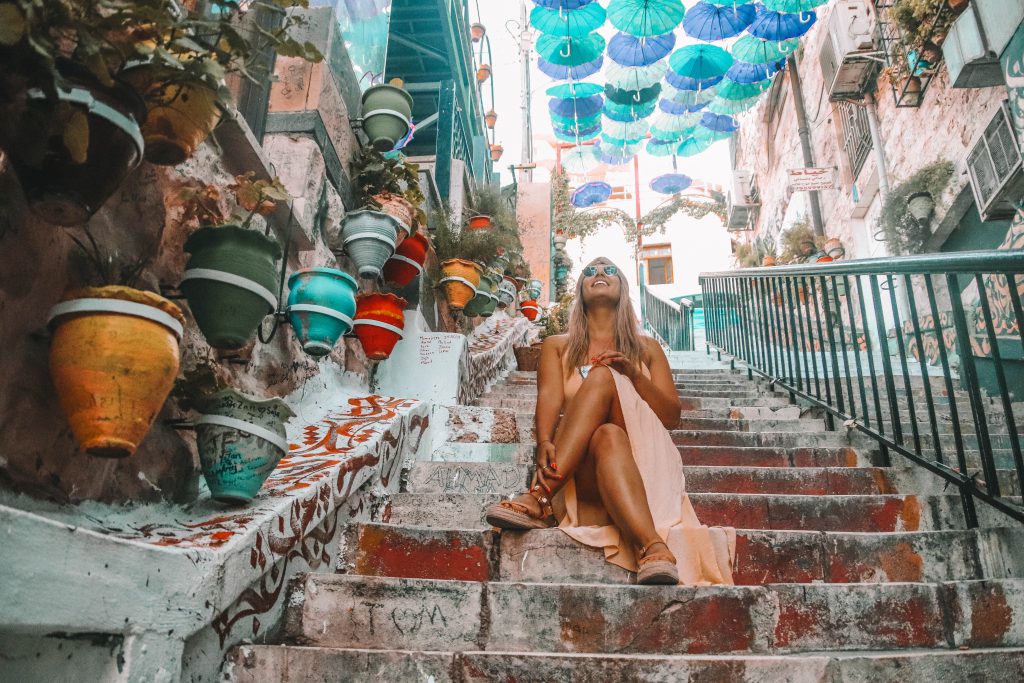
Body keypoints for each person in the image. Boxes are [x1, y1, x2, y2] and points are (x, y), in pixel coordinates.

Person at [485, 257, 735, 586]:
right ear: (580, 290)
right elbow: (549, 399)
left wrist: (629, 373)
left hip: (647, 465)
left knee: (603, 379)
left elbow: (671, 417)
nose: (599, 274)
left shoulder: (647, 349)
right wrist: (545, 441)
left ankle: (538, 498)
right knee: (606, 435)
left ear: (623, 289)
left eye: (609, 270)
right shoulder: (557, 347)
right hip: (583, 474)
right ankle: (653, 547)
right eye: (590, 271)